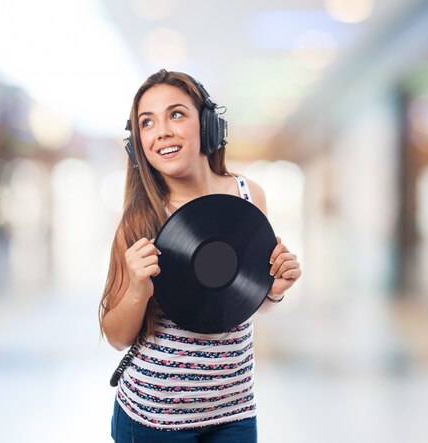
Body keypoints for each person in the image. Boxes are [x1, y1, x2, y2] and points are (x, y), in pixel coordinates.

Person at [99, 69, 302, 442]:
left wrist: (274, 289)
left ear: (208, 125)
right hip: (154, 419)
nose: (162, 130)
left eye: (176, 114)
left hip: (234, 410)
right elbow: (115, 335)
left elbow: (244, 301)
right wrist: (137, 289)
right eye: (147, 122)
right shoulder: (140, 220)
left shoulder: (248, 195)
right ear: (138, 143)